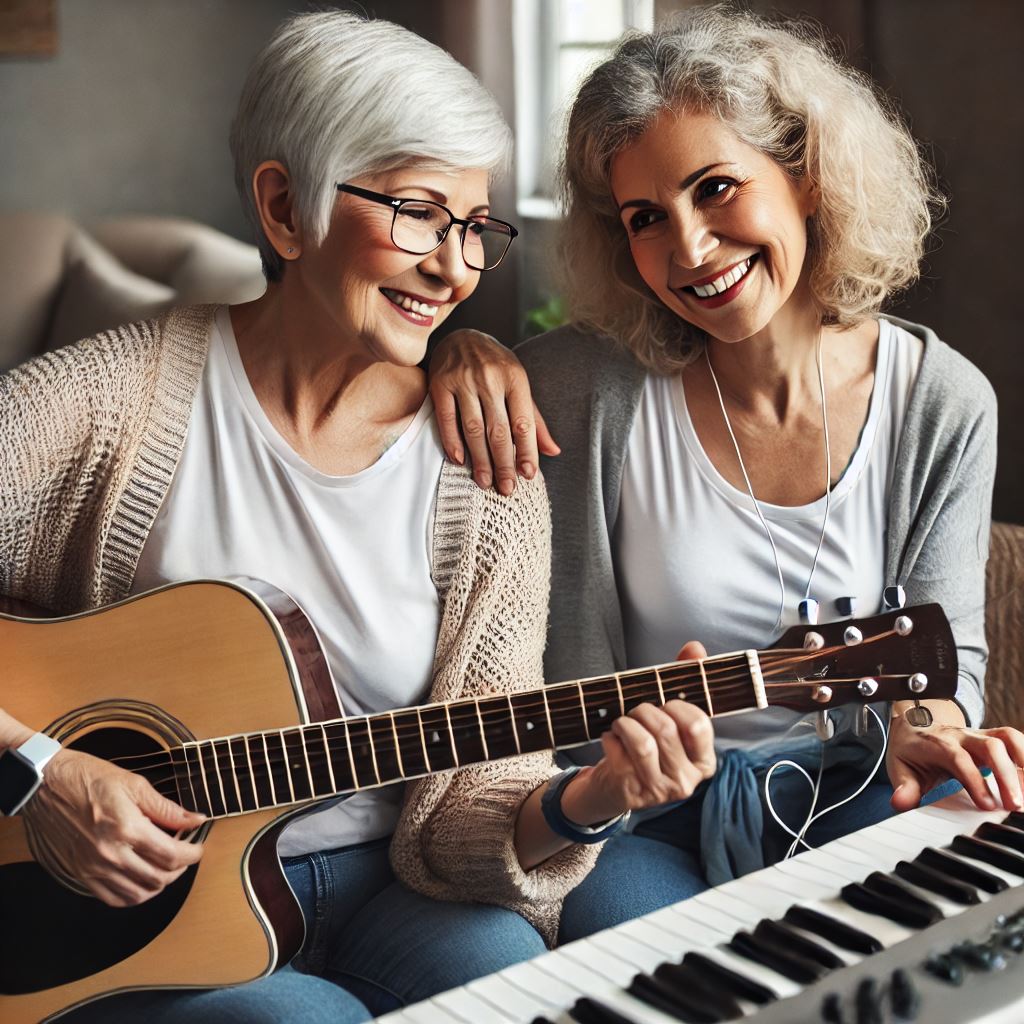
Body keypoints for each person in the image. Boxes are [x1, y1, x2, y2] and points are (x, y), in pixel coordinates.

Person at [0, 12, 717, 1023]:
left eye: (475, 227)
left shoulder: (485, 467)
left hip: (391, 890)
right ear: (285, 207)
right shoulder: (113, 399)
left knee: (515, 977)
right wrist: (38, 773)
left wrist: (592, 796)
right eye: (419, 212)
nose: (454, 267)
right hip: (130, 919)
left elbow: (475, 802)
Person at [428, 4, 1024, 933]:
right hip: (642, 817)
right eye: (645, 219)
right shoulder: (581, 391)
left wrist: (935, 731)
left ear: (807, 178)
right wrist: (456, 350)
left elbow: (946, 668)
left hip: (855, 787)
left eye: (715, 189)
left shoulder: (941, 401)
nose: (692, 250)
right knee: (636, 957)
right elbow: (382, 383)